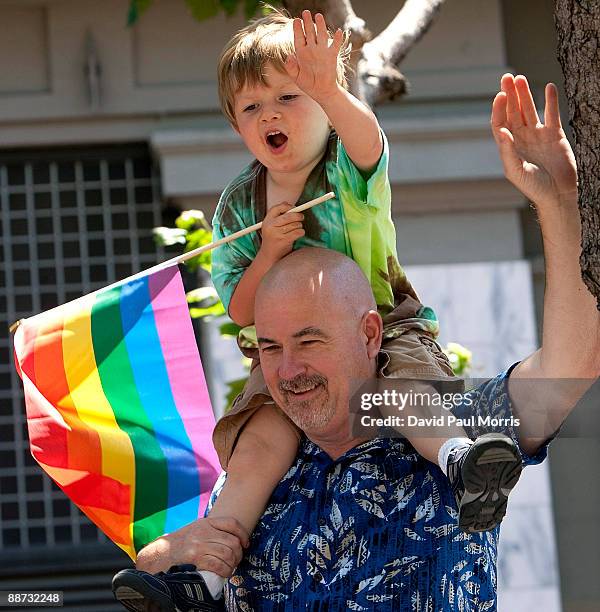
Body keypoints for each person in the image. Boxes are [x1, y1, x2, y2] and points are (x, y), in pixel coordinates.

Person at [111, 12, 599, 612]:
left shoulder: (454, 420)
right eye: (269, 346)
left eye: (309, 341)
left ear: (369, 333)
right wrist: (172, 556)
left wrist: (561, 205)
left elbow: (572, 365)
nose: (285, 368)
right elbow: (154, 565)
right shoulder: (261, 475)